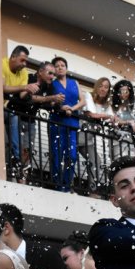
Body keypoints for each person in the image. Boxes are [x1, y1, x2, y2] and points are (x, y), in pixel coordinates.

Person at [49, 56, 85, 191]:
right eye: (57, 66)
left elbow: (83, 101)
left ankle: (66, 184)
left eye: (62, 65)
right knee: (57, 154)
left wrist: (72, 109)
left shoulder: (74, 82)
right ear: (54, 69)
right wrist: (60, 107)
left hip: (72, 122)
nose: (60, 68)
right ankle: (57, 186)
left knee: (72, 155)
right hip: (57, 122)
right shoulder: (51, 83)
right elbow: (49, 101)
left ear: (66, 68)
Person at [3, 45, 39, 174]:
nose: (24, 64)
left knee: (15, 140)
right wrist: (25, 87)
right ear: (13, 57)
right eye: (22, 60)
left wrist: (32, 90)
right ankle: (12, 164)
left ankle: (17, 162)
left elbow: (22, 94)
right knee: (5, 141)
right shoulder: (2, 64)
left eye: (26, 61)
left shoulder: (23, 72)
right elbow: (2, 87)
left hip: (9, 110)